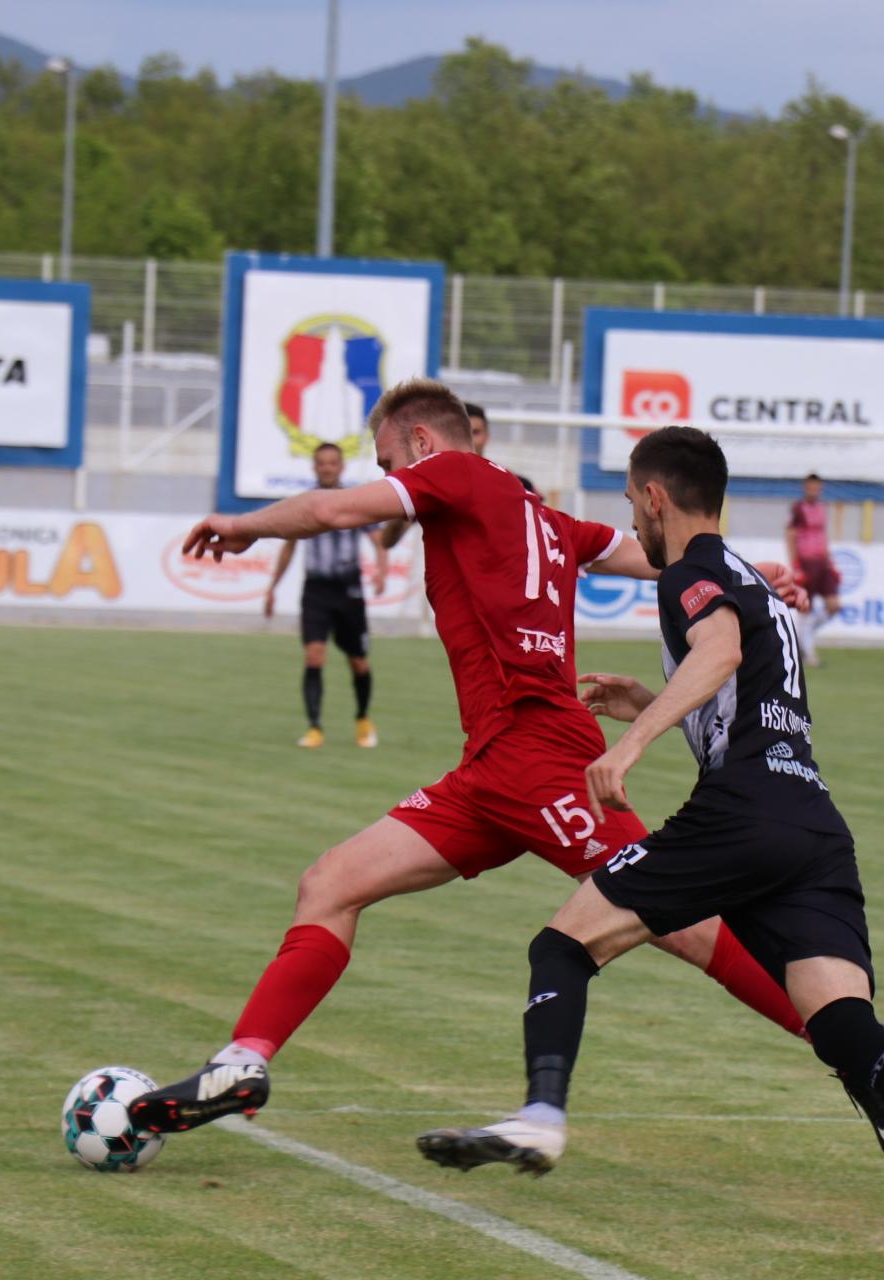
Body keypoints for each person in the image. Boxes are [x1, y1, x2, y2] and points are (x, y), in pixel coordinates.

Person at [129, 381, 811, 1135]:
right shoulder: (548, 520)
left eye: (390, 459)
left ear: (422, 444)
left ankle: (844, 1043)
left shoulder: (453, 474)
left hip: (541, 758)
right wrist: (751, 574)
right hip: (488, 774)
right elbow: (652, 555)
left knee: (680, 921)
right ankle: (242, 1062)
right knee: (330, 882)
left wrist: (242, 524)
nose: (393, 477)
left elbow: (329, 510)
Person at [417, 426, 884, 1253]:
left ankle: (540, 1115)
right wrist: (650, 700)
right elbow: (745, 690)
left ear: (654, 497)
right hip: (813, 822)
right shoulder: (749, 577)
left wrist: (629, 746)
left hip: (740, 814)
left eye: (633, 502)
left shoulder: (691, 574)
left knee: (562, 946)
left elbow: (718, 651)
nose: (632, 519)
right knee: (840, 1023)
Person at [264, 442, 390, 749]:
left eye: (332, 463)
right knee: (314, 654)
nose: (327, 468)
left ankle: (362, 718)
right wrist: (272, 587)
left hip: (349, 589)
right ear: (315, 467)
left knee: (358, 661)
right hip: (316, 590)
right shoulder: (305, 505)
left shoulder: (355, 502)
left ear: (341, 466)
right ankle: (315, 727)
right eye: (321, 463)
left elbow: (379, 540)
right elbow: (289, 546)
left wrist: (382, 570)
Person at [379, 400, 530, 549]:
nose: (470, 440)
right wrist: (408, 502)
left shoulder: (514, 485)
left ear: (487, 436)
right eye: (464, 433)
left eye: (475, 432)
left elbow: (532, 544)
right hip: (434, 572)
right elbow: (387, 541)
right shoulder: (429, 484)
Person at [787, 473, 842, 667]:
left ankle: (805, 638)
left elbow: (823, 536)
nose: (813, 490)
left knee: (834, 605)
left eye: (816, 487)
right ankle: (809, 654)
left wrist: (831, 563)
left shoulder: (822, 508)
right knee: (805, 608)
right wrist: (794, 565)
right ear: (805, 488)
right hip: (806, 562)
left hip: (822, 563)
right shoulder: (798, 509)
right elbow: (791, 535)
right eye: (810, 487)